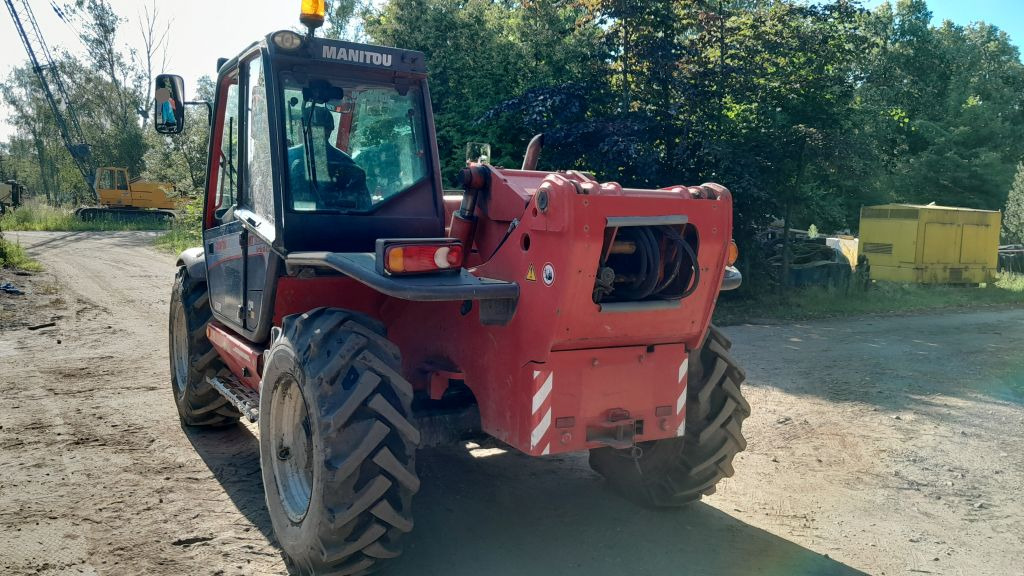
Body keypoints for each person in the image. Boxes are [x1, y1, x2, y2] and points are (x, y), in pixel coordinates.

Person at [287, 105, 369, 210]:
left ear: (303, 128)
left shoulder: (288, 158)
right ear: (330, 130)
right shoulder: (348, 163)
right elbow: (364, 207)